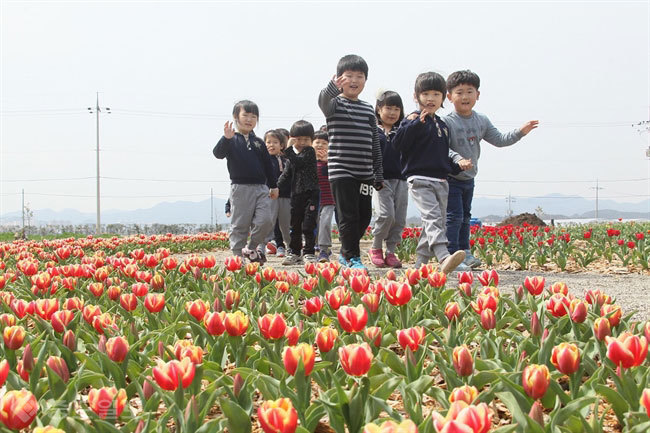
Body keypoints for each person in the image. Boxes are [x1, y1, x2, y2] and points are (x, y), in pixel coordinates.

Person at [443, 70, 539, 269]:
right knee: (454, 217)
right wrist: (458, 159)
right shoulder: (446, 122)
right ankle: (450, 254)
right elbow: (442, 148)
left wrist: (521, 132)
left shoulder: (481, 120)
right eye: (459, 92)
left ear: (478, 95)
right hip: (450, 177)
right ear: (449, 96)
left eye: (470, 91)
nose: (465, 96)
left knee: (466, 216)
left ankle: (465, 252)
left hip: (469, 178)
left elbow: (500, 140)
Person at [392, 72, 472, 273]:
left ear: (443, 98)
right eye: (425, 93)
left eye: (436, 94)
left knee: (434, 222)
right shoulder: (412, 119)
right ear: (416, 96)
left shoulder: (442, 125)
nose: (430, 99)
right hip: (419, 179)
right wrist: (415, 123)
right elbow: (398, 143)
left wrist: (456, 166)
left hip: (441, 180)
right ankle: (443, 256)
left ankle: (420, 266)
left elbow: (441, 156)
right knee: (432, 217)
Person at [318, 54, 384, 270]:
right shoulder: (335, 104)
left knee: (364, 216)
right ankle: (351, 257)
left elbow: (375, 143)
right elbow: (323, 101)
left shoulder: (368, 110)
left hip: (364, 172)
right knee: (348, 215)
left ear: (366, 80)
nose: (354, 80)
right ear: (339, 79)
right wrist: (331, 87)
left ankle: (347, 252)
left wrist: (378, 172)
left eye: (360, 76)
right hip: (341, 171)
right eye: (348, 76)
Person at [213, 100, 278, 263]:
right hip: (240, 188)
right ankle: (237, 256)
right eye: (245, 115)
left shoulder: (259, 143)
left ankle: (251, 247)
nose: (249, 120)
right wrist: (226, 139)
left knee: (266, 220)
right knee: (240, 224)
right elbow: (218, 154)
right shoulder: (231, 140)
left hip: (261, 188)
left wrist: (273, 186)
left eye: (253, 116)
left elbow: (268, 166)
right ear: (236, 117)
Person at [368, 90, 407, 268]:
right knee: (386, 214)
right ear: (378, 109)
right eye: (388, 108)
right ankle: (376, 247)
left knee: (399, 217)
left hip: (402, 179)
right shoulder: (373, 131)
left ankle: (391, 251)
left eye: (396, 109)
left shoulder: (403, 130)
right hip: (381, 179)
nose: (392, 113)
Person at [278, 120, 320, 265]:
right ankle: (294, 252)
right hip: (296, 194)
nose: (302, 142)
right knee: (294, 225)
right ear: (292, 138)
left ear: (311, 140)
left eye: (306, 139)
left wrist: (288, 149)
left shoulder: (310, 152)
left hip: (311, 194)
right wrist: (275, 187)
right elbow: (286, 174)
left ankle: (308, 252)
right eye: (298, 139)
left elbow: (299, 162)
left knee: (308, 225)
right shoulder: (292, 157)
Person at [263, 129, 291, 256]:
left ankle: (291, 247)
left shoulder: (287, 160)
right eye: (268, 142)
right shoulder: (263, 161)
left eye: (275, 142)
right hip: (270, 196)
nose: (271, 145)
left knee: (286, 224)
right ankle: (263, 246)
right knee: (268, 222)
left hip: (286, 196)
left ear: (282, 145)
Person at [313, 130, 335, 262]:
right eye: (317, 142)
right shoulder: (307, 160)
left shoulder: (332, 162)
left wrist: (328, 162)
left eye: (324, 143)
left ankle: (324, 250)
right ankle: (316, 246)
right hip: (312, 200)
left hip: (328, 199)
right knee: (313, 225)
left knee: (325, 223)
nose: (320, 145)